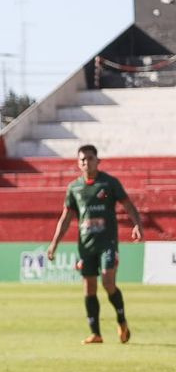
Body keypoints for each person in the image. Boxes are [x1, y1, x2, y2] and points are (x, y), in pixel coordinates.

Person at [45, 144, 144, 344]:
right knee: (89, 288)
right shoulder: (75, 188)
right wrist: (54, 243)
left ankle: (122, 320)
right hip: (86, 245)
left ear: (97, 161)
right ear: (77, 163)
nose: (86, 162)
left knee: (108, 282)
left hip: (107, 243)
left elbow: (128, 205)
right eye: (82, 159)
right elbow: (66, 217)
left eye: (90, 158)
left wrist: (138, 225)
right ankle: (96, 333)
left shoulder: (108, 184)